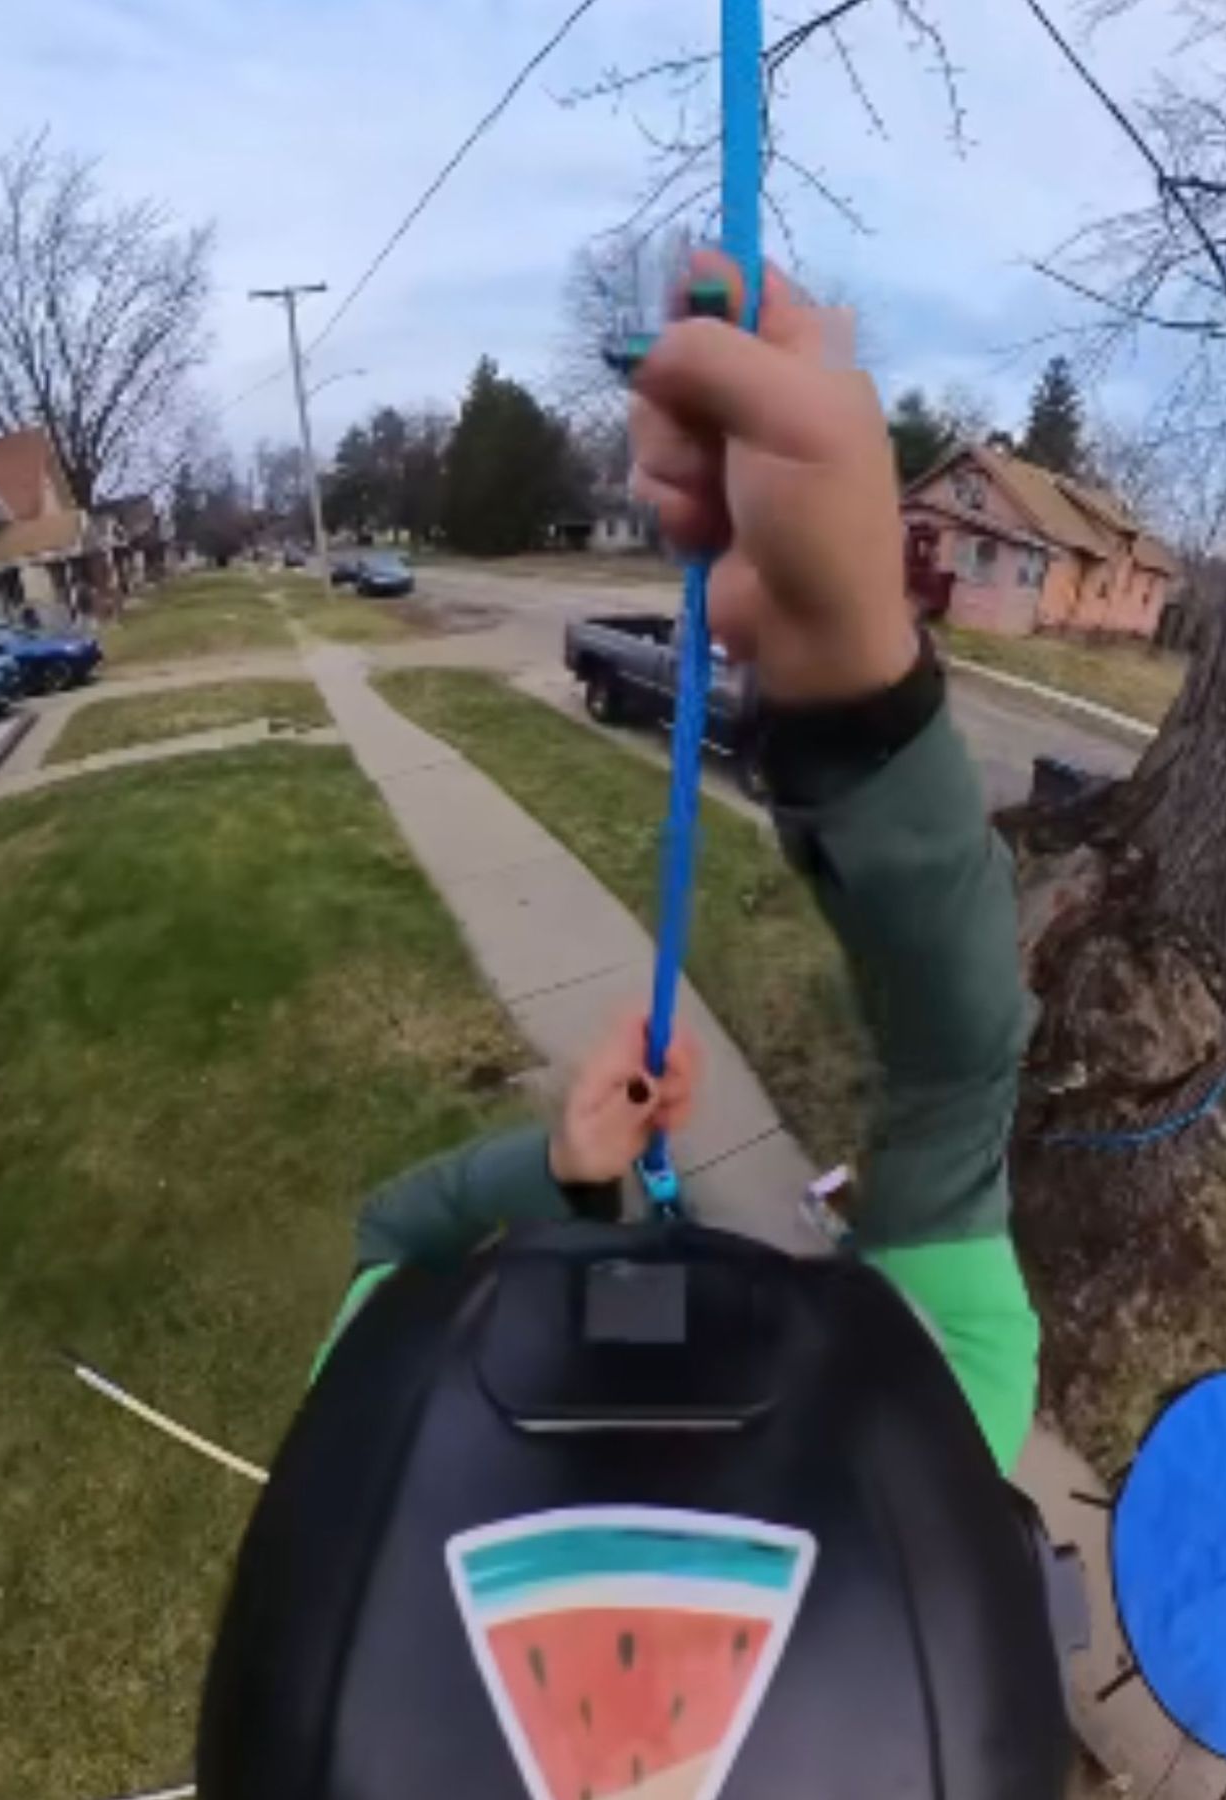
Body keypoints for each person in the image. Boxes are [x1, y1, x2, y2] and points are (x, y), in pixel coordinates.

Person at [198, 256, 1076, 1800]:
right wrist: (852, 688)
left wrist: (564, 1168)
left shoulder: (941, 1398)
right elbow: (957, 1067)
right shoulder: (947, 1386)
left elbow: (397, 1243)